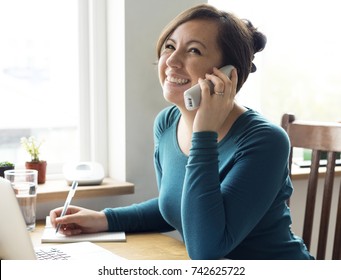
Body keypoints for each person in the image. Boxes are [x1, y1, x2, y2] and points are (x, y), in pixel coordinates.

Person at [50, 4, 314, 260]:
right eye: (170, 46)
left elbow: (205, 250)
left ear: (226, 74)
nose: (172, 61)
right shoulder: (166, 123)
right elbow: (178, 204)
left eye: (194, 51)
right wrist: (105, 219)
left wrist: (203, 132)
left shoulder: (265, 140)